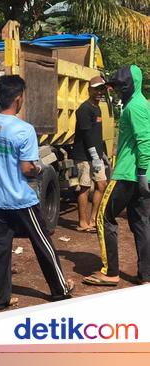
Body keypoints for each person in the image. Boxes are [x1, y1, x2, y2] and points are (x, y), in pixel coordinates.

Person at [0, 75, 74, 310]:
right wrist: (39, 167)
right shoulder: (24, 130)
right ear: (19, 99)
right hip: (20, 199)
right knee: (43, 243)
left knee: (0, 250)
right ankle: (59, 289)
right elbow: (28, 168)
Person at [83, 65, 150, 286]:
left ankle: (110, 271)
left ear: (131, 84)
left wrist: (141, 173)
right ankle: (146, 275)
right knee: (141, 223)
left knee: (103, 217)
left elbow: (144, 141)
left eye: (122, 86)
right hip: (139, 174)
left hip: (128, 174)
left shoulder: (135, 107)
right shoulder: (138, 104)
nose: (119, 91)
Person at [72, 76, 108, 233]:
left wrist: (101, 155)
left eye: (102, 89)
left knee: (101, 185)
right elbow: (86, 136)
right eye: (97, 88)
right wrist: (94, 156)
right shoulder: (84, 109)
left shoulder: (97, 108)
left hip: (96, 155)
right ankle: (82, 222)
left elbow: (95, 135)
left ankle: (93, 219)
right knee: (85, 187)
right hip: (84, 155)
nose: (100, 92)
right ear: (89, 89)